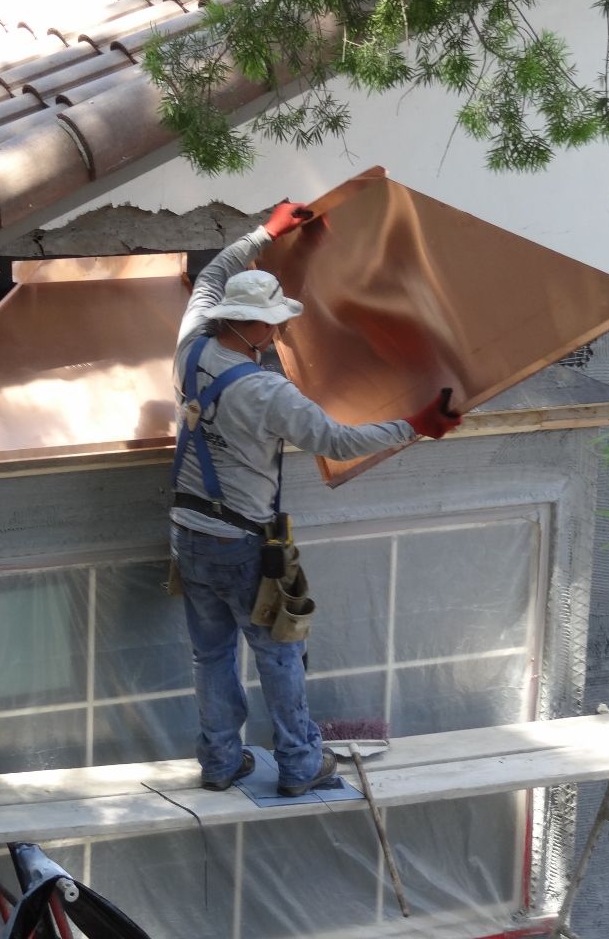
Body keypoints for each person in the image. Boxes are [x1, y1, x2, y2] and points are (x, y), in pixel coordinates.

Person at [170, 202, 462, 797]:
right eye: (274, 323)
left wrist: (264, 234)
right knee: (279, 654)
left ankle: (221, 762)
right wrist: (416, 424)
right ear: (255, 327)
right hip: (243, 542)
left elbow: (208, 277)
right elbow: (339, 439)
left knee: (211, 656)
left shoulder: (190, 344)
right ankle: (301, 765)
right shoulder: (266, 391)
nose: (279, 332)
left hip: (187, 534)